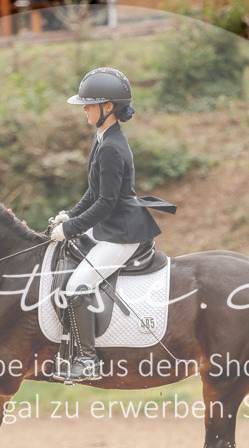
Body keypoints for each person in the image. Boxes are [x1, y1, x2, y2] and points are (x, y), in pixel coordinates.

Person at [47, 67, 173, 383]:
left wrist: (72, 228)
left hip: (123, 232)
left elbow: (107, 203)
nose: (84, 110)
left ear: (108, 107)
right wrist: (70, 216)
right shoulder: (102, 138)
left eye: (89, 105)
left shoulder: (113, 147)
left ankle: (88, 360)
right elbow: (93, 191)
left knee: (77, 288)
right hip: (111, 223)